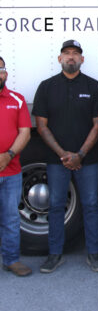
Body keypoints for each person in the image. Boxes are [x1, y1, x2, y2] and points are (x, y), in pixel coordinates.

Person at [32, 40, 98, 273]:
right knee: (55, 206)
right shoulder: (47, 87)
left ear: (82, 59)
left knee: (91, 206)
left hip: (88, 160)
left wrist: (81, 154)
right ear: (60, 59)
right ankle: (55, 255)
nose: (71, 57)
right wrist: (63, 154)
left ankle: (94, 255)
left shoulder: (93, 87)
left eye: (75, 54)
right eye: (67, 54)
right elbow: (41, 126)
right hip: (57, 161)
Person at [0, 57, 32, 277]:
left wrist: (8, 155)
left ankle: (11, 260)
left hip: (11, 171)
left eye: (0, 69)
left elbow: (25, 132)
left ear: (6, 74)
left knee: (11, 218)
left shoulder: (17, 100)